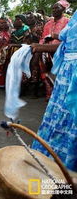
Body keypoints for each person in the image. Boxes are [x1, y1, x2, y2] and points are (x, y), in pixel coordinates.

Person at [31, 10, 77, 172]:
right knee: (60, 118)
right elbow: (67, 46)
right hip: (66, 75)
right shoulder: (75, 17)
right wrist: (40, 47)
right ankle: (53, 161)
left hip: (74, 76)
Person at [39, 0, 70, 101]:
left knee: (59, 73)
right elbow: (42, 38)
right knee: (46, 72)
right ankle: (49, 94)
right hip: (46, 52)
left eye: (57, 8)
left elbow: (69, 38)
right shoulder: (48, 24)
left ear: (64, 9)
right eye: (53, 8)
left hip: (61, 52)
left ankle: (59, 96)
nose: (54, 10)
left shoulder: (67, 22)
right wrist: (40, 46)